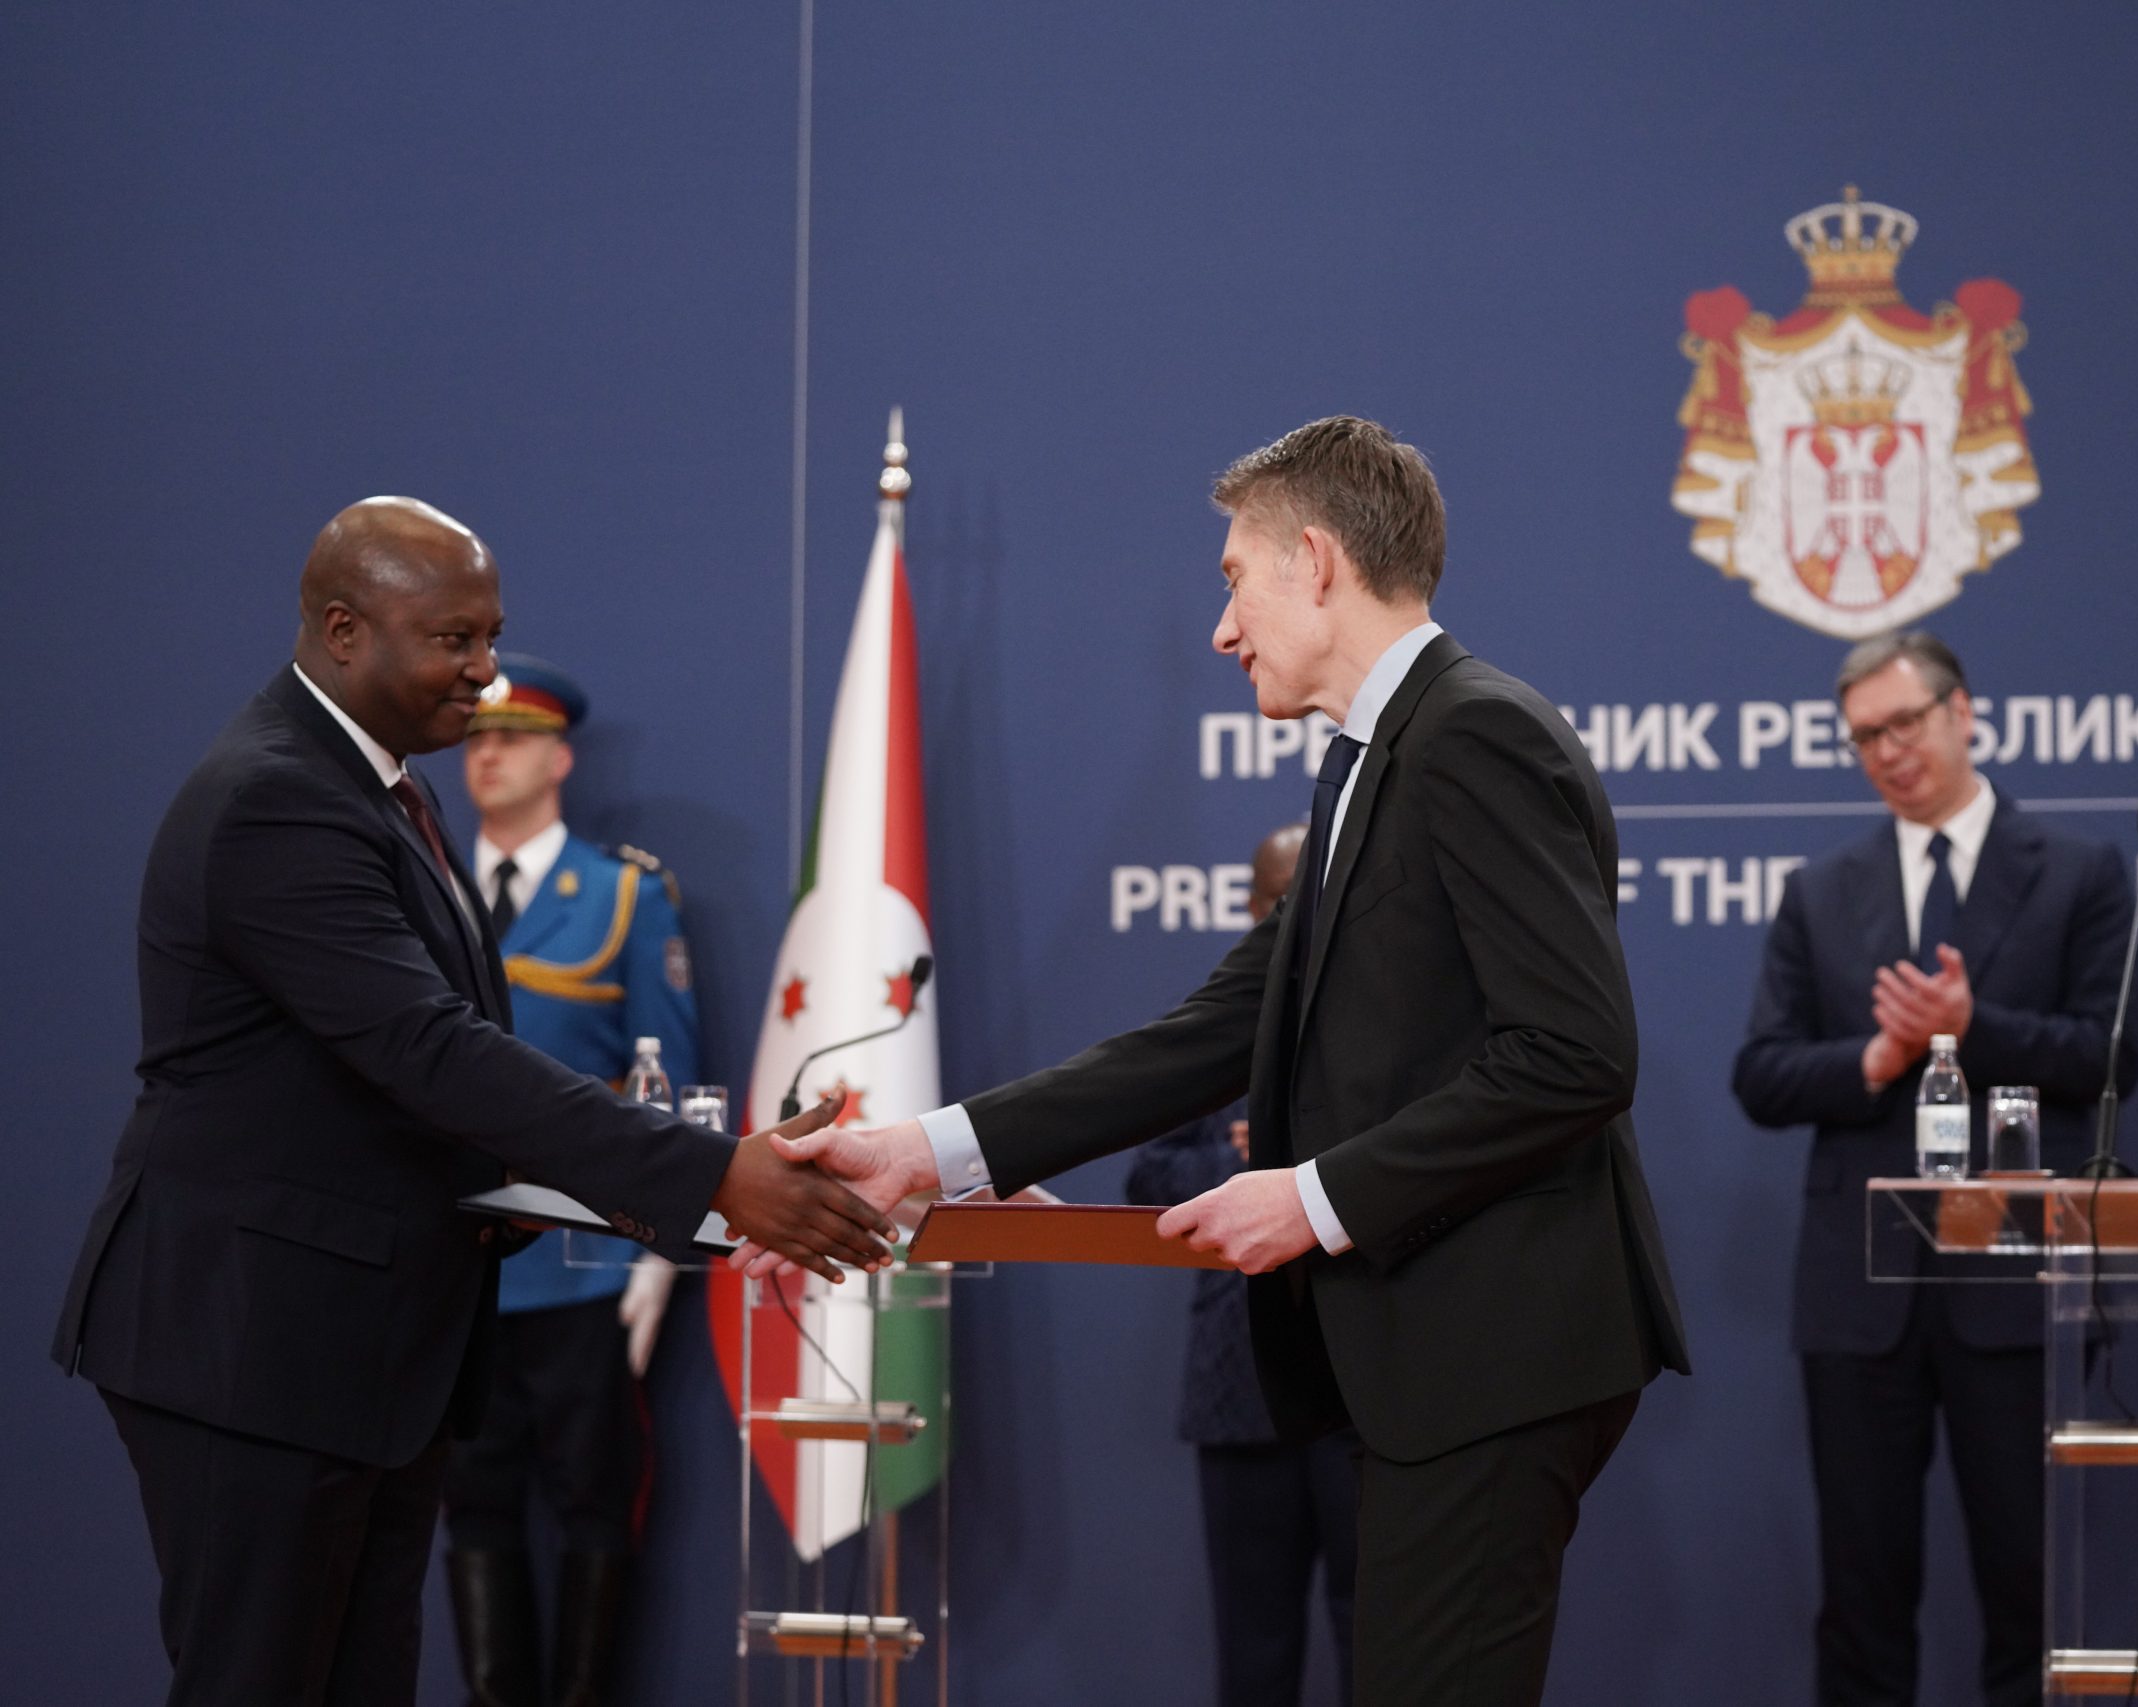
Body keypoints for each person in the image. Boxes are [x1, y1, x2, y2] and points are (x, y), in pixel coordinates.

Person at [740, 417, 1690, 1707]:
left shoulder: (1473, 735)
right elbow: (1221, 1027)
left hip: (1496, 1352)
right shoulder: (1371, 760)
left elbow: (1574, 1055)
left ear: (1316, 561)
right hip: (1441, 1354)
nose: (1222, 629)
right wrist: (924, 1151)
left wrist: (1313, 1197)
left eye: (1235, 579)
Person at [50, 496, 892, 1707]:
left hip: (355, 1348)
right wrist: (712, 1177)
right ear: (344, 631)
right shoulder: (278, 797)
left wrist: (613, 1189)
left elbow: (415, 1078)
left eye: (489, 636)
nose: (484, 673)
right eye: (454, 640)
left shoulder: (384, 788)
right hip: (253, 1345)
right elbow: (430, 1052)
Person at [1730, 630, 2138, 1707]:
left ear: (1963, 712)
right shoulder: (1823, 890)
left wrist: (1972, 1025)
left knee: (2027, 1594)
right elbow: (1760, 1073)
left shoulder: (2077, 872)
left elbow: (2113, 1055)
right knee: (1860, 1602)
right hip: (1859, 1294)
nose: (1887, 751)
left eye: (1904, 723)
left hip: (2014, 1284)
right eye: (1864, 736)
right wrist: (1874, 1059)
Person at [440, 654, 699, 1707]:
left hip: (585, 1259)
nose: (487, 755)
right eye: (474, 737)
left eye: (512, 737)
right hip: (450, 1258)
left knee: (597, 1497)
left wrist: (661, 1251)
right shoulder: (423, 892)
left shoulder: (625, 895)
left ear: (560, 758)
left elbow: (667, 1080)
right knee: (469, 1498)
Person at [1124, 820, 1358, 1707]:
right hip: (1240, 1389)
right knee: (1254, 1653)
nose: (1301, 914)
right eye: (1283, 899)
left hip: (1365, 1386)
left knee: (1382, 1641)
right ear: (1255, 907)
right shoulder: (1219, 1023)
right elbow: (1150, 1178)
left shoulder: (1387, 1019)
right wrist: (1242, 1166)